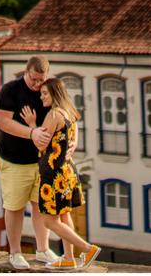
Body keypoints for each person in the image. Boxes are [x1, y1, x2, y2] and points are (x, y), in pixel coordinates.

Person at [21, 78, 100, 271]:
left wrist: (32, 125)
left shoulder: (54, 114)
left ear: (55, 93)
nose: (41, 97)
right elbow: (72, 138)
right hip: (67, 170)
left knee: (49, 221)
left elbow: (41, 144)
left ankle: (87, 249)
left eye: (45, 93)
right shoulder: (70, 113)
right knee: (65, 216)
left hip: (53, 173)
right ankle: (68, 259)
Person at [0, 56, 66, 270]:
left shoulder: (50, 90)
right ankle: (15, 252)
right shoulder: (10, 90)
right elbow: (2, 121)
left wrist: (72, 143)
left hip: (43, 161)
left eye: (41, 80)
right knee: (15, 206)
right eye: (34, 79)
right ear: (25, 72)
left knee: (41, 205)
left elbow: (67, 113)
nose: (37, 85)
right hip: (15, 161)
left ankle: (43, 249)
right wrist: (31, 133)